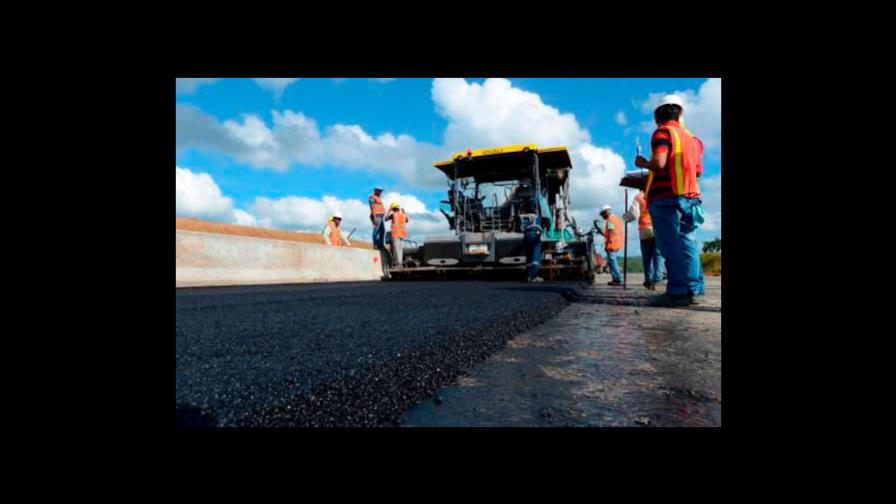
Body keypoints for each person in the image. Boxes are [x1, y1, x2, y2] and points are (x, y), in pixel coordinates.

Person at [634, 94, 706, 306]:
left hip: (666, 198)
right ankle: (693, 290)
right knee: (688, 243)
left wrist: (643, 163)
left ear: (658, 115)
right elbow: (698, 171)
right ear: (680, 113)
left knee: (670, 246)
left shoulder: (662, 132)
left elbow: (659, 162)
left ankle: (676, 291)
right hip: (690, 197)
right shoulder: (692, 140)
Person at [624, 190, 665, 290]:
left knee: (647, 257)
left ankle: (648, 279)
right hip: (658, 228)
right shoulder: (658, 193)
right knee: (658, 255)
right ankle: (658, 280)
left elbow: (633, 215)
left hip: (645, 230)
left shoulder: (639, 196)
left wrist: (625, 216)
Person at [598, 205, 624, 286]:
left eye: (602, 214)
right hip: (617, 242)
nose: (602, 216)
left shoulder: (610, 220)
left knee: (612, 262)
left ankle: (617, 279)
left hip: (612, 243)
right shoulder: (616, 218)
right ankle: (616, 278)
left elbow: (611, 231)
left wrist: (609, 242)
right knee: (613, 261)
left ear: (606, 212)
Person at [520, 213, 543, 282]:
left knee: (529, 256)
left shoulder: (523, 216)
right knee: (535, 257)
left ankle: (529, 276)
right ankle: (534, 276)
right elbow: (548, 221)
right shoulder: (537, 214)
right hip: (534, 233)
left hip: (526, 235)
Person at [385, 202, 408, 268]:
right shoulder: (403, 215)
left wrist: (388, 211)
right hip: (402, 234)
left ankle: (397, 264)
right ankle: (400, 264)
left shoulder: (393, 215)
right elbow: (407, 220)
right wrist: (404, 212)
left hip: (396, 234)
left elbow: (385, 219)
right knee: (400, 250)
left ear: (393, 209)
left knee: (396, 250)